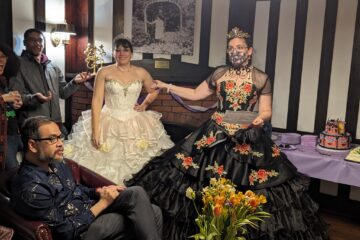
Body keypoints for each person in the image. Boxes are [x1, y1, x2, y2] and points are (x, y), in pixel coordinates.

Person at [125, 27, 329, 240]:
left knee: (249, 187)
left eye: (239, 47)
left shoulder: (261, 78)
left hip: (248, 134)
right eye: (231, 48)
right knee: (202, 182)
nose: (235, 51)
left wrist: (261, 118)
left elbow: (266, 109)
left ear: (249, 51)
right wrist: (168, 86)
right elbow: (195, 94)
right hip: (216, 133)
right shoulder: (219, 73)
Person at [10, 116, 163, 240]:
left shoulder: (58, 163)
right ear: (32, 145)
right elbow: (65, 231)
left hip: (88, 209)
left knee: (142, 200)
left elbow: (76, 189)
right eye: (52, 139)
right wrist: (103, 203)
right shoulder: (30, 187)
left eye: (60, 137)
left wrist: (99, 191)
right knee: (147, 213)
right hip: (79, 231)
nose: (61, 144)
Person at [64, 37, 174, 185]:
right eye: (118, 50)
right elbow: (96, 101)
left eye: (125, 50)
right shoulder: (104, 71)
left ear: (132, 53)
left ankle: (132, 193)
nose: (121, 53)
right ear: (114, 53)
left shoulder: (141, 72)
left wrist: (145, 104)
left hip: (134, 121)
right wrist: (95, 130)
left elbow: (154, 90)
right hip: (107, 119)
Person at [10, 28, 91, 136]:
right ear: (25, 43)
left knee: (65, 150)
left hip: (56, 123)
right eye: (32, 40)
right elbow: (16, 97)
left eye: (40, 40)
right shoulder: (17, 65)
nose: (37, 43)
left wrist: (74, 82)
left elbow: (63, 93)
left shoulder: (52, 66)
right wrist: (35, 98)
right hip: (34, 126)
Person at [0, 43, 23, 170]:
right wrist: (3, 99)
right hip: (3, 139)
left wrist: (13, 106)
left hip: (14, 133)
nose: (1, 61)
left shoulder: (3, 82)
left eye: (3, 57)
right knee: (12, 173)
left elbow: (7, 112)